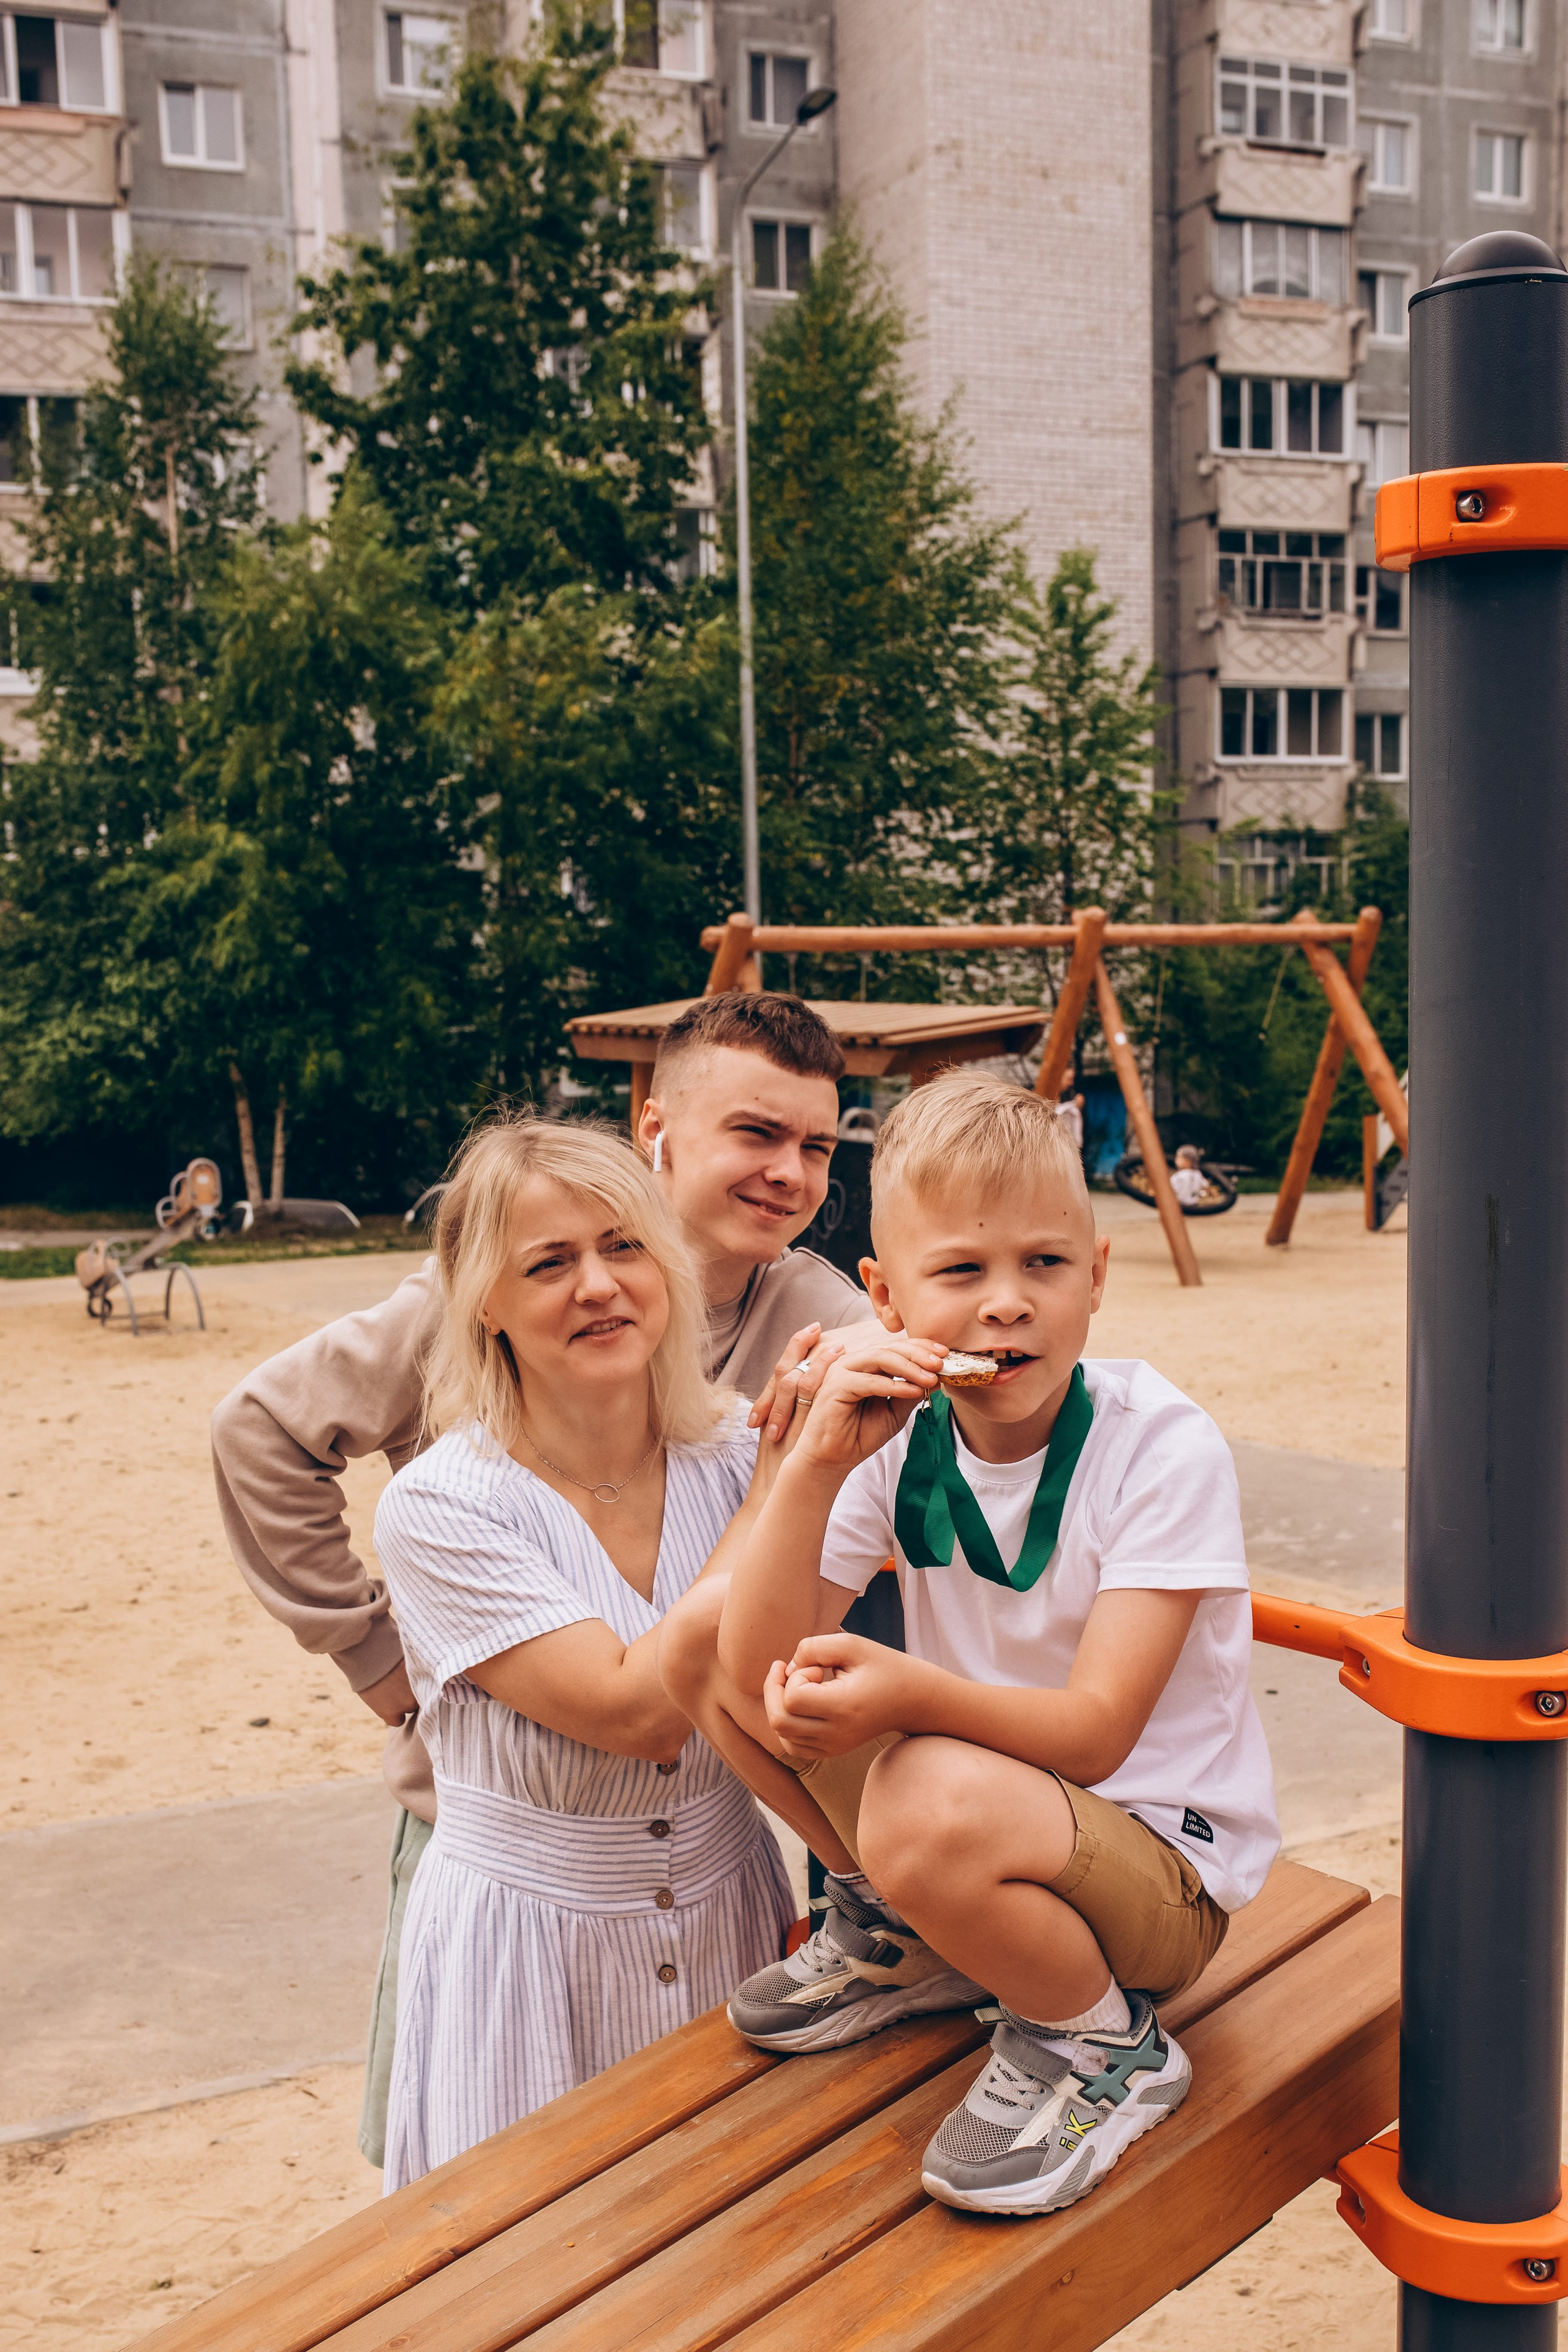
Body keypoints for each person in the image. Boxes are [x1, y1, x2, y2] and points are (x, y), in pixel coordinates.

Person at [209, 990, 875, 2165]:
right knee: (481, 2172)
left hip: (716, 1880)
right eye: (757, 1135)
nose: (788, 1173)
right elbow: (260, 1429)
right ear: (659, 1132)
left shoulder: (806, 1320)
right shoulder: (462, 1438)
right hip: (516, 1836)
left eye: (818, 1146)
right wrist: (386, 1660)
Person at [660, 1071, 1278, 2219]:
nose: (1007, 1305)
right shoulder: (899, 1433)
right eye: (961, 1271)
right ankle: (913, 1934)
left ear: (1096, 1279)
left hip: (1159, 1874)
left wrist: (907, 1693)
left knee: (921, 1788)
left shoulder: (1162, 1447)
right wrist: (813, 1467)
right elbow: (746, 1669)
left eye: (1045, 1264)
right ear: (885, 1302)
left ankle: (1103, 2045)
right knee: (696, 1638)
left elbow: (1094, 1737)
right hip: (992, 1818)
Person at [372, 1112, 798, 2189]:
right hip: (524, 1954)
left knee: (732, 2246)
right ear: (485, 1301)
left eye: (623, 1247)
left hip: (729, 1913)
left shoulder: (737, 1448)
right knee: (538, 2268)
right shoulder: (442, 1507)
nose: (600, 1285)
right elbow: (639, 1714)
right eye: (549, 1263)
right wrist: (780, 1498)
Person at [1169, 1143, 1207, 1208]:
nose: (1176, 1160)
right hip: (1194, 1205)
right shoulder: (1198, 1174)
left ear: (1187, 1161)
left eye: (1178, 1157)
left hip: (1180, 1206)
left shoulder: (1178, 1176)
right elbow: (1206, 1185)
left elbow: (1171, 1190)